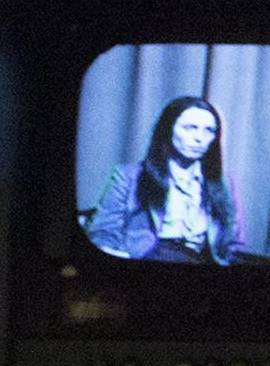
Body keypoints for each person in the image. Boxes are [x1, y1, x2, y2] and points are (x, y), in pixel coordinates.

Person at [85, 96, 243, 264]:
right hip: (147, 257)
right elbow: (102, 233)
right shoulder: (129, 176)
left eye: (209, 130)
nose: (199, 138)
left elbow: (233, 242)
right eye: (190, 128)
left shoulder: (223, 184)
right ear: (168, 129)